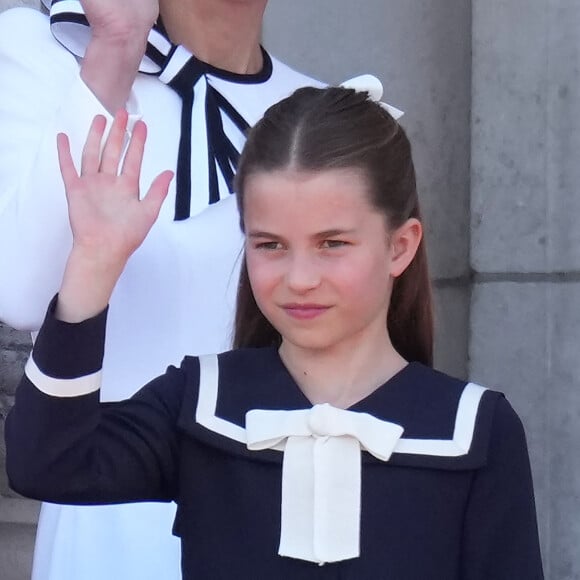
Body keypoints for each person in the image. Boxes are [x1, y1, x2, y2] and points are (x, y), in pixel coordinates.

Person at [6, 86, 544, 579]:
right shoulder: (200, 402)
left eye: (333, 244)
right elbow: (47, 464)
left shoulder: (477, 429)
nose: (300, 279)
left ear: (400, 247)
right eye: (270, 245)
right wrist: (93, 266)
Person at [0, 1, 326, 578]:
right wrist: (116, 49)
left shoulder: (326, 113)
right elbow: (22, 292)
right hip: (107, 506)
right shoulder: (50, 53)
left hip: (280, 504)